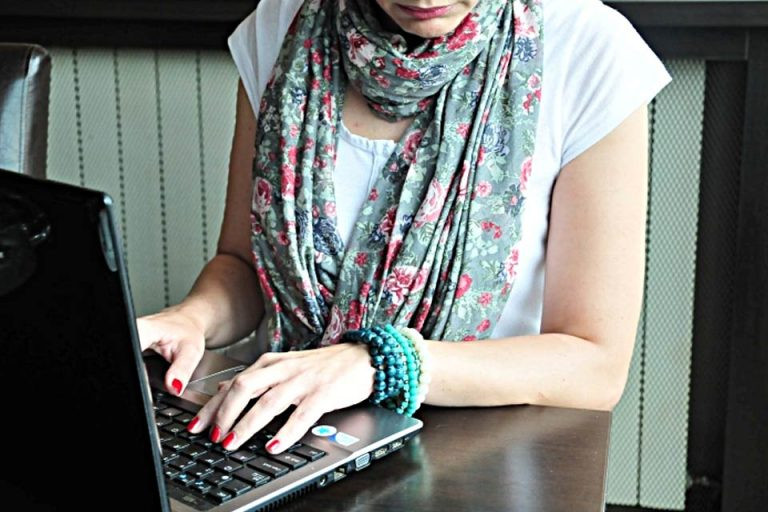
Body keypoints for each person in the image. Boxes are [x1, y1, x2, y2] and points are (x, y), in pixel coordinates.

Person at [138, 0, 671, 456]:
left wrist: (383, 362)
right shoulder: (282, 27)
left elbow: (594, 364)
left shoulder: (588, 50)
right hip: (287, 441)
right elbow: (245, 266)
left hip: (479, 461)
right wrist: (192, 317)